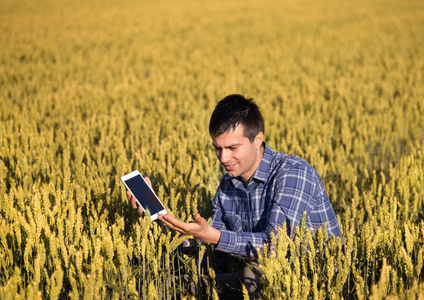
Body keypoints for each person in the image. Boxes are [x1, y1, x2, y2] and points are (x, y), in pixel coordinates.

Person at [128, 94, 342, 295]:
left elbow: (276, 247)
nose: (223, 157)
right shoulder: (228, 185)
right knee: (169, 285)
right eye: (218, 148)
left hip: (319, 278)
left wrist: (215, 236)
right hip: (265, 275)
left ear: (257, 139)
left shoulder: (293, 173)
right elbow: (214, 253)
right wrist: (160, 217)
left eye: (232, 148)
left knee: (255, 274)